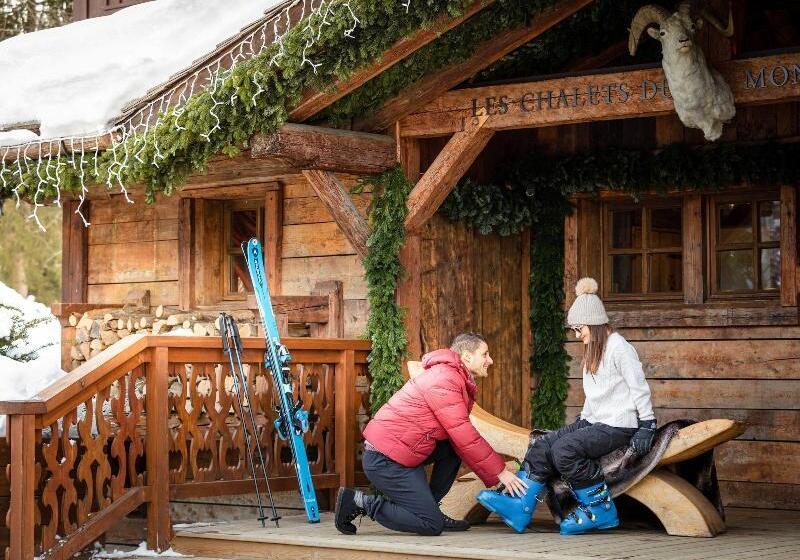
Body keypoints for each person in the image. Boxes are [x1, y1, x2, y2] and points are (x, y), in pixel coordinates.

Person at [477, 277, 656, 535]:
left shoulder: (620, 349)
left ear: (593, 324)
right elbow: (595, 396)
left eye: (578, 328)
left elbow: (639, 387)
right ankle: (521, 507)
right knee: (542, 444)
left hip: (618, 425)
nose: (576, 335)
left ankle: (601, 509)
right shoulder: (596, 349)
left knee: (565, 450)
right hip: (596, 421)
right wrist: (581, 424)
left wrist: (648, 425)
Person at [334, 332, 529, 536]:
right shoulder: (445, 379)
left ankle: (431, 508)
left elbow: (459, 438)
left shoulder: (452, 376)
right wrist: (501, 472)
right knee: (430, 524)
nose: (490, 360)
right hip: (385, 459)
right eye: (485, 354)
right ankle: (360, 502)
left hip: (405, 453)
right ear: (467, 357)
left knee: (453, 449)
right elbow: (463, 432)